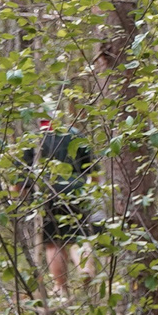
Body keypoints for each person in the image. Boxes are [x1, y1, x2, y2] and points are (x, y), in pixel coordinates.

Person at [20, 116, 95, 292]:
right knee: (79, 237)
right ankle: (84, 269)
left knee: (54, 243)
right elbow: (93, 172)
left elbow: (20, 182)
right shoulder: (76, 135)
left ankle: (60, 287)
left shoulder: (32, 140)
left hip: (46, 195)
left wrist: (21, 199)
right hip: (76, 192)